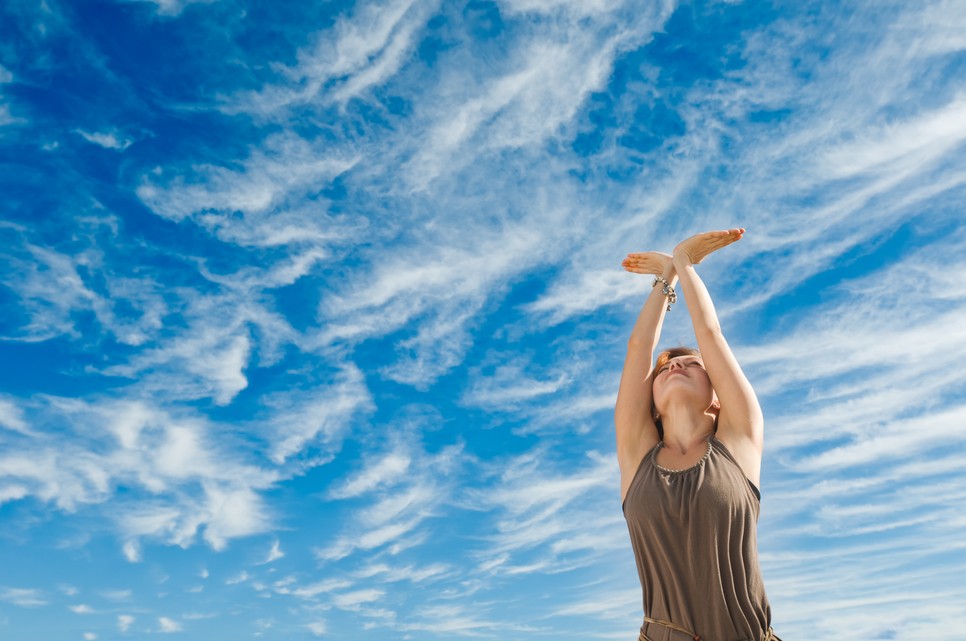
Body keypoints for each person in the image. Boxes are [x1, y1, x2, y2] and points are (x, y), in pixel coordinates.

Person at [615, 229, 780, 641]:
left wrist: (684, 263)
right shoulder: (637, 456)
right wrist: (664, 279)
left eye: (691, 364)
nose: (674, 366)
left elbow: (711, 334)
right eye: (665, 368)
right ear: (652, 405)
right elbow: (639, 349)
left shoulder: (738, 442)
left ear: (718, 397)